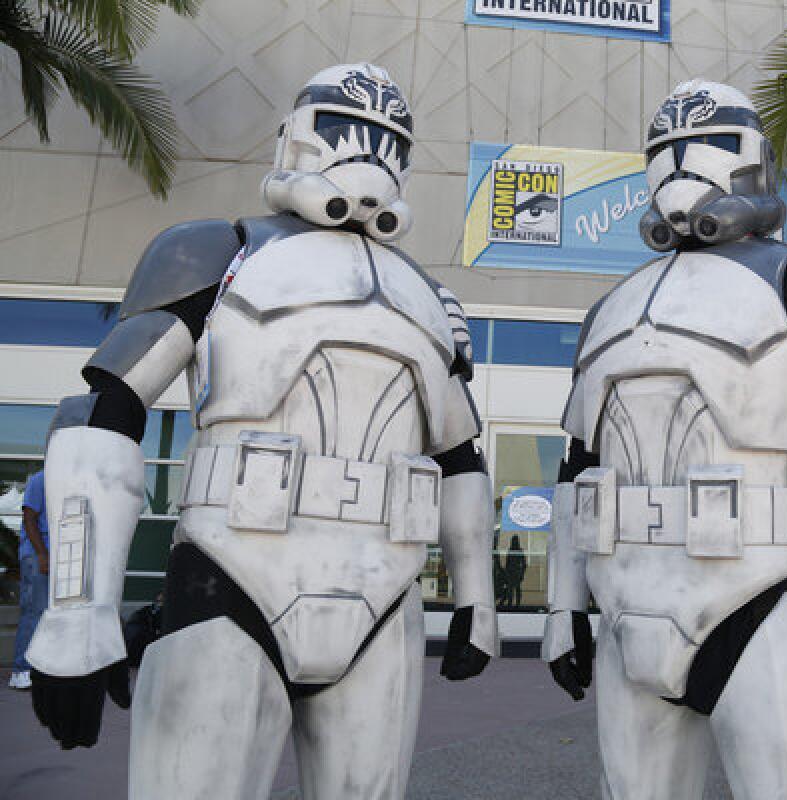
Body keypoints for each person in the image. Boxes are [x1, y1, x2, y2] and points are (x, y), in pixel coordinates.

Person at [24, 63, 498, 799]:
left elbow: (459, 455)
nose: (366, 154)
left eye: (385, 141)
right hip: (230, 578)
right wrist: (77, 616)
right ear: (300, 138)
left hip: (387, 594)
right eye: (345, 132)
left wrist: (478, 600)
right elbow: (105, 411)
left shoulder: (431, 299)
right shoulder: (218, 249)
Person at [541, 80, 787, 799]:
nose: (679, 167)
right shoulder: (610, 309)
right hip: (625, 612)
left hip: (759, 605)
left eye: (704, 146)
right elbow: (578, 471)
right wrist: (563, 607)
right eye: (664, 152)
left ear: (751, 155)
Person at [8, 470, 48, 690]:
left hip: (60, 558)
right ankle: (21, 671)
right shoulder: (39, 479)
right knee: (34, 612)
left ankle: (41, 669)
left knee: (49, 615)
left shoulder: (70, 478)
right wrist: (42, 554)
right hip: (37, 555)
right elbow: (30, 518)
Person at [504, 534, 527, 608]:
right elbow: (507, 563)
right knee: (511, 589)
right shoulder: (510, 550)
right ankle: (510, 604)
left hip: (517, 573)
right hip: (512, 573)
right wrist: (507, 573)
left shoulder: (519, 551)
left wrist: (522, 573)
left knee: (516, 589)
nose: (514, 542)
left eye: (515, 541)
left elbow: (524, 564)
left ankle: (517, 604)